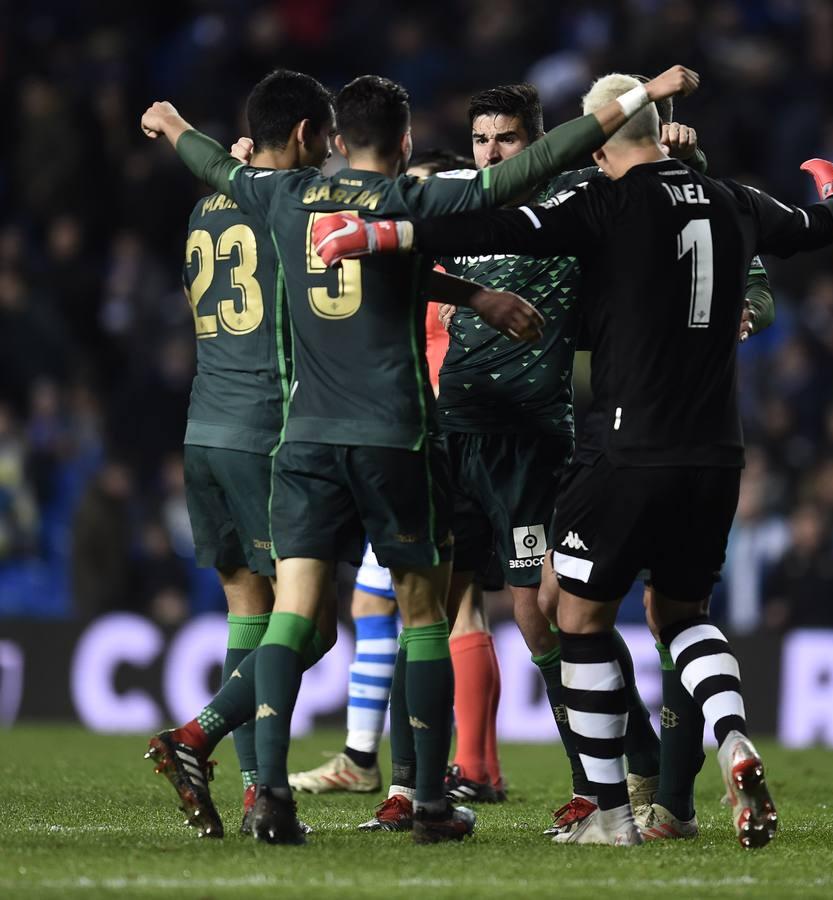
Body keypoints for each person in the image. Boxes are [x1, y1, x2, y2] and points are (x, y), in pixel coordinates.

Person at [140, 64, 699, 845]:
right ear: (407, 144)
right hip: (398, 438)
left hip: (303, 442)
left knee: (293, 615)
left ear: (333, 140)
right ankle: (430, 798)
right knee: (425, 612)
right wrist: (639, 100)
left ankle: (264, 793)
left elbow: (215, 165)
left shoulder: (283, 197)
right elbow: (532, 171)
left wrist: (172, 127)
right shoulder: (412, 197)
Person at [310, 71, 833, 846]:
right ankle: (731, 738)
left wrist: (380, 233)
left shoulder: (597, 202)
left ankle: (608, 806)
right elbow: (820, 225)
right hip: (718, 454)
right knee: (681, 617)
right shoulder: (734, 200)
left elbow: (494, 229)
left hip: (625, 447)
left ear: (592, 139)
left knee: (571, 613)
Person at [143, 69, 335, 840]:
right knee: (310, 627)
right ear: (300, 135)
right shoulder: (287, 207)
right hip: (269, 432)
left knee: (247, 612)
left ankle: (260, 794)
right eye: (320, 135)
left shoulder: (203, 210)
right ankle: (199, 733)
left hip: (204, 432)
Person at [287, 150, 477, 798]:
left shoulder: (441, 257)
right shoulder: (401, 259)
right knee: (408, 607)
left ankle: (429, 774)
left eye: (421, 190)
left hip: (426, 439)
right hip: (398, 440)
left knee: (445, 613)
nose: (408, 200)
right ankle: (390, 765)